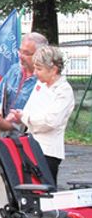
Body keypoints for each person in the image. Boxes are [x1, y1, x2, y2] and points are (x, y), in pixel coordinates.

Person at [0, 32, 48, 218]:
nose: (21, 56)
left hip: (30, 145)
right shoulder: (14, 70)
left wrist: (13, 124)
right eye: (20, 51)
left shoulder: (44, 81)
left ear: (40, 54)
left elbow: (41, 116)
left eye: (27, 53)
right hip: (6, 141)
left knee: (28, 194)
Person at [8, 45, 75, 183]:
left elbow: (51, 122)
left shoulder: (64, 91)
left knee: (45, 192)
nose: (36, 73)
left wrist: (25, 118)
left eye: (39, 69)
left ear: (54, 70)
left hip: (48, 151)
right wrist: (19, 115)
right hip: (30, 144)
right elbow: (29, 109)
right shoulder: (41, 85)